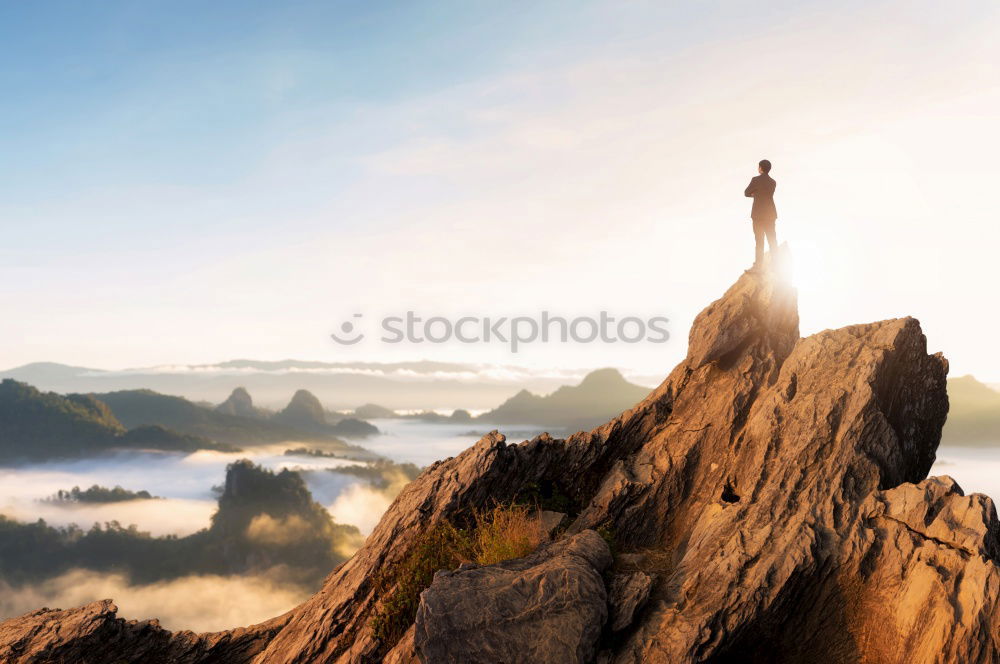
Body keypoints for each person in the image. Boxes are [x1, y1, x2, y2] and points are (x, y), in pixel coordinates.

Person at [744, 159, 777, 270]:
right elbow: (767, 194)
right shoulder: (773, 182)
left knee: (759, 240)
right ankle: (776, 263)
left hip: (758, 215)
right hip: (770, 213)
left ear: (761, 168)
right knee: (772, 239)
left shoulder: (755, 180)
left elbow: (746, 192)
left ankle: (759, 265)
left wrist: (755, 194)